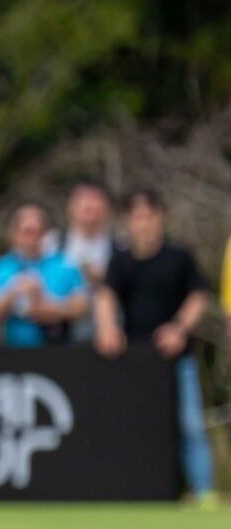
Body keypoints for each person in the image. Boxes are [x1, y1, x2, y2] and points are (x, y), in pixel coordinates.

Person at [93, 189, 217, 506]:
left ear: (160, 217)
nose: (143, 223)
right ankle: (134, 489)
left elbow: (199, 297)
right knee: (134, 426)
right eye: (136, 216)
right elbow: (105, 296)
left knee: (190, 424)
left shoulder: (179, 257)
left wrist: (178, 328)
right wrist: (107, 328)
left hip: (175, 358)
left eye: (148, 215)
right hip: (133, 361)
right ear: (127, 221)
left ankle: (203, 490)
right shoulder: (120, 260)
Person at [0, 203, 88, 346]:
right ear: (14, 234)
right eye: (28, 232)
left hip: (58, 347)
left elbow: (82, 306)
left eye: (39, 232)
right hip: (12, 349)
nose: (33, 239)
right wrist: (13, 292)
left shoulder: (65, 264)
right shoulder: (0, 267)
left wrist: (56, 310)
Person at [44, 180, 117, 285]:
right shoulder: (52, 242)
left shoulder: (118, 248)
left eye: (97, 210)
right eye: (87, 210)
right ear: (70, 209)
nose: (91, 217)